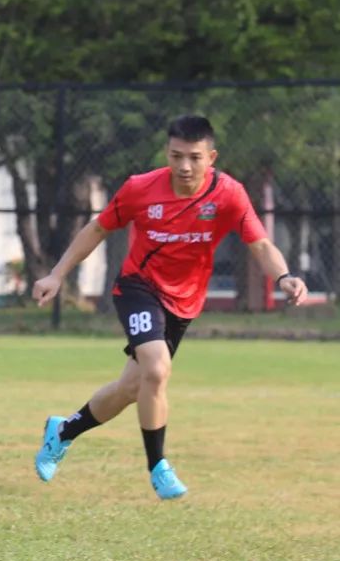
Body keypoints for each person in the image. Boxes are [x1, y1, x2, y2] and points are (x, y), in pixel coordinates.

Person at [31, 115, 308, 499]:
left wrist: (284, 277)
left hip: (184, 303)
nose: (184, 166)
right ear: (167, 152)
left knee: (132, 387)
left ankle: (62, 431)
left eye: (194, 157)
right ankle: (158, 466)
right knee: (157, 370)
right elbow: (97, 228)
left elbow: (260, 244)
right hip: (138, 288)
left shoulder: (228, 194)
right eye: (176, 156)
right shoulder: (140, 189)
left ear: (211, 157)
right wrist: (57, 275)